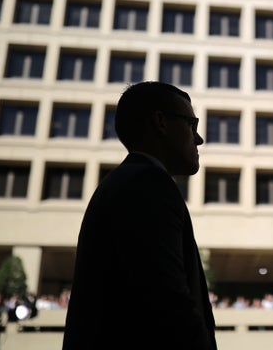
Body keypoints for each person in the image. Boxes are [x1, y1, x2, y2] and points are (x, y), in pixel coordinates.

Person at [62, 82, 216, 350]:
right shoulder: (148, 186)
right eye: (191, 124)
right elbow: (168, 303)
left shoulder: (127, 182)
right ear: (161, 122)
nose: (198, 138)